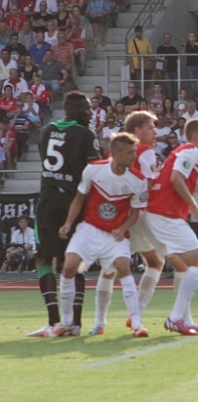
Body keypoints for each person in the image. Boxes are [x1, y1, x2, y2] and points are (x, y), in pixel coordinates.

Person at [49, 133, 150, 337]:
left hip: (115, 234)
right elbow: (79, 198)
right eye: (130, 152)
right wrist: (68, 223)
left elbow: (135, 213)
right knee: (69, 266)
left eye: (135, 151)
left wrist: (122, 228)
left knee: (124, 267)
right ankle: (66, 321)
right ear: (116, 153)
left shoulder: (138, 180)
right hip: (90, 229)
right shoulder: (94, 170)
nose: (134, 156)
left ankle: (137, 323)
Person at [27, 91, 100, 338]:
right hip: (74, 201)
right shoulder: (86, 134)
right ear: (75, 110)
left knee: (44, 258)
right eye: (87, 109)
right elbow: (94, 169)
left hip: (48, 199)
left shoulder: (47, 130)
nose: (91, 114)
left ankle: (53, 322)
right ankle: (74, 323)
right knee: (73, 259)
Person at [89, 111, 169, 335]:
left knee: (109, 270)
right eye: (150, 127)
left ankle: (99, 322)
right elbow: (148, 184)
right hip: (138, 215)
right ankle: (137, 314)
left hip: (116, 216)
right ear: (137, 131)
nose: (155, 132)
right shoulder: (145, 152)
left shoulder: (114, 154)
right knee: (155, 262)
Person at [145, 118, 198, 336]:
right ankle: (175, 318)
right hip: (164, 216)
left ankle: (186, 319)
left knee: (185, 267)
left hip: (159, 214)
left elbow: (171, 186)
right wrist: (195, 209)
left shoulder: (182, 152)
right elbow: (176, 179)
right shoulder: (190, 151)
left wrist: (195, 208)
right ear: (195, 135)